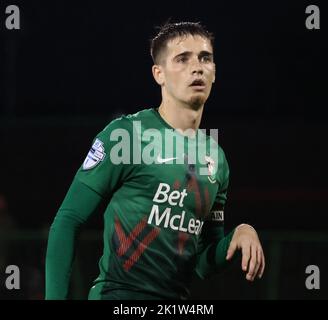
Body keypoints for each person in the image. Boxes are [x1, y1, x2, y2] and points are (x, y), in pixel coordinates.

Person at [45, 21, 265, 300]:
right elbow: (68, 220)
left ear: (214, 73)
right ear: (158, 74)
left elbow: (201, 265)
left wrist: (239, 235)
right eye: (182, 59)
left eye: (205, 58)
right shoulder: (127, 135)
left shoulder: (216, 160)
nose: (196, 67)